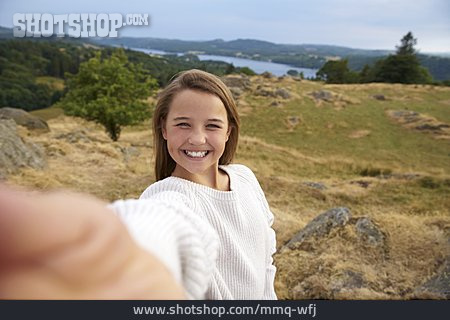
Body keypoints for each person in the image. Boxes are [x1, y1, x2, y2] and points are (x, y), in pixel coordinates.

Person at [0, 69, 277, 300]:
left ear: (229, 131)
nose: (197, 138)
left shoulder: (245, 178)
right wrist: (122, 256)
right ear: (164, 128)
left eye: (213, 126)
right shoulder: (168, 196)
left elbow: (265, 264)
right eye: (183, 124)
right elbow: (158, 226)